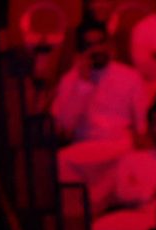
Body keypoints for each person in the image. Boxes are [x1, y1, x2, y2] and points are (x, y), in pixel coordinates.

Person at [52, 21, 149, 215]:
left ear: (109, 45)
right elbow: (64, 127)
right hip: (85, 145)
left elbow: (142, 125)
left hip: (120, 145)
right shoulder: (70, 79)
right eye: (89, 45)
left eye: (100, 43)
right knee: (61, 161)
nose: (96, 49)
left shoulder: (130, 76)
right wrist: (83, 84)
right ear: (81, 50)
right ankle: (76, 219)